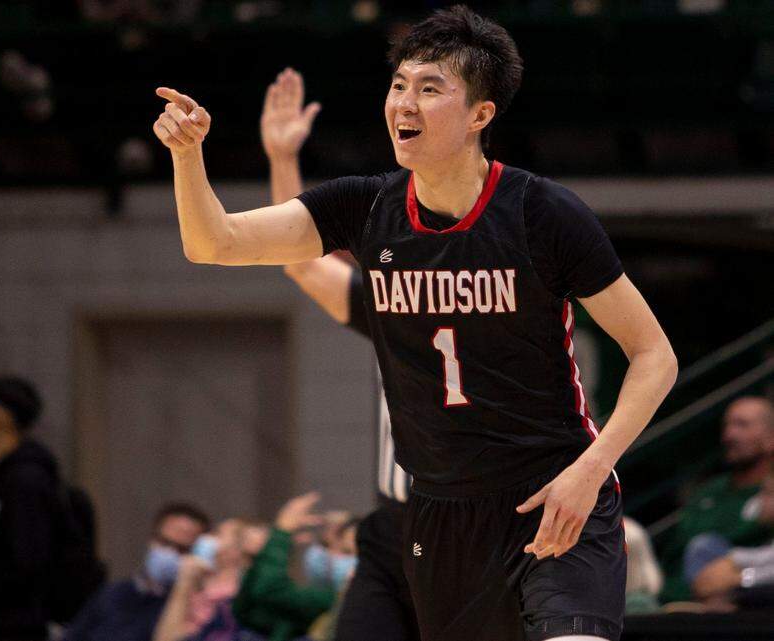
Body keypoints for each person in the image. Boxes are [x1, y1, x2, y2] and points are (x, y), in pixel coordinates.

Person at [150, 5, 678, 640]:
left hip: (555, 493)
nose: (405, 102)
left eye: (431, 89)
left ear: (480, 115)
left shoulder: (543, 213)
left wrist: (591, 470)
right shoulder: (367, 206)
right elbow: (215, 243)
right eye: (399, 85)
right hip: (437, 512)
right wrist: (187, 157)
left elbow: (654, 355)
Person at [262, 67, 419, 641]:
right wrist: (283, 159)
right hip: (388, 532)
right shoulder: (387, 304)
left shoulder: (498, 306)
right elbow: (300, 260)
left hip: (466, 528)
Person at [0, 376, 91, 641]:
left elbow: (28, 563)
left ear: (0, 416)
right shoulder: (1, 473)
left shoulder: (25, 480)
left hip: (20, 622)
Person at [659, 395, 774, 602]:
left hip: (746, 599)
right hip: (684, 596)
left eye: (742, 425)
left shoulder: (768, 489)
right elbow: (678, 548)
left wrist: (741, 574)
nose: (729, 435)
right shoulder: (709, 491)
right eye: (727, 425)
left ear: (771, 437)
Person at [64, 503, 210, 641]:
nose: (170, 553)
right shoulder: (114, 592)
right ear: (152, 540)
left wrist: (184, 587)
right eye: (164, 543)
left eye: (182, 550)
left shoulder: (192, 610)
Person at [232, 493, 342, 641]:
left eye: (346, 552)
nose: (327, 555)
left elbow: (271, 591)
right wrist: (272, 550)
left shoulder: (336, 599)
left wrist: (282, 533)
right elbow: (246, 609)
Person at [151, 518, 270, 641]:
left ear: (235, 551)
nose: (207, 538)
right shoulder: (197, 589)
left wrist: (185, 582)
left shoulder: (236, 600)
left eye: (218, 533)